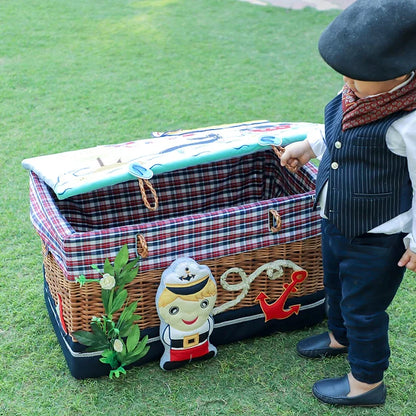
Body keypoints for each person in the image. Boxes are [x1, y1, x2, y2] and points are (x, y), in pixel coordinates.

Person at [279, 0, 416, 407]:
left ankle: (367, 382)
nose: (347, 81)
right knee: (335, 287)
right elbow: (336, 132)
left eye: (359, 76)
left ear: (401, 72)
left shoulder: (407, 123)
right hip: (336, 219)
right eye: (345, 72)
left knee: (364, 308)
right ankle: (338, 337)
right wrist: (309, 145)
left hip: (378, 236)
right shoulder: (357, 94)